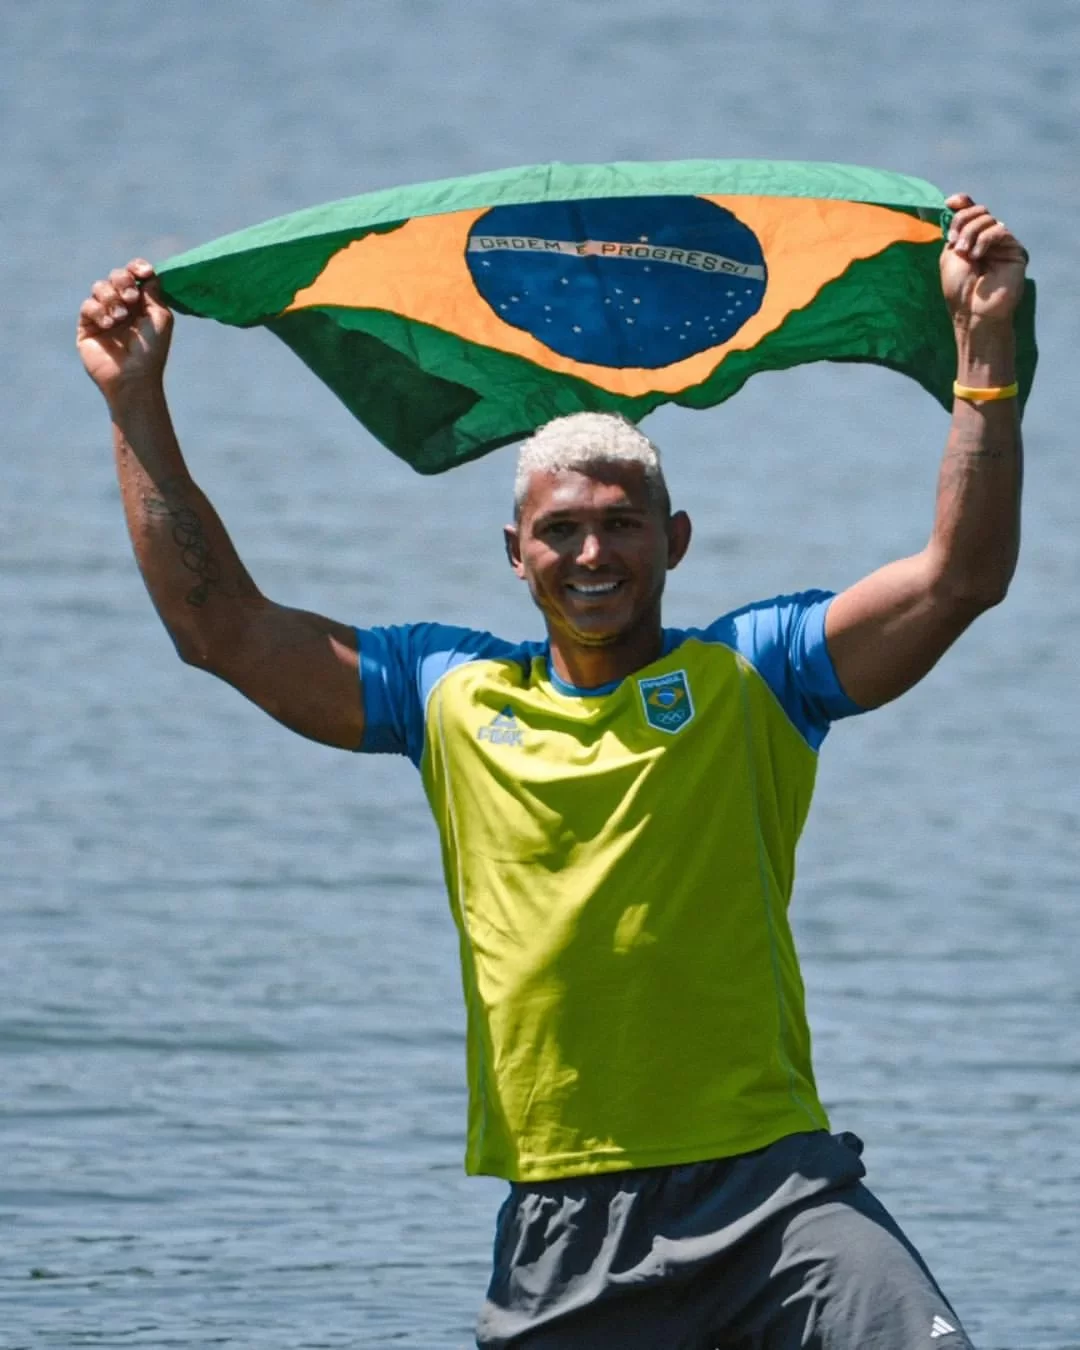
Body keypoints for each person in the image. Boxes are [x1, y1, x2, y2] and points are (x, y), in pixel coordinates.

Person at [78, 192, 1026, 1349]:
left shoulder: (758, 676)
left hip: (778, 1199)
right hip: (567, 1220)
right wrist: (136, 402)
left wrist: (983, 356)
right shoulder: (451, 697)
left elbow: (957, 579)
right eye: (562, 531)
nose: (593, 553)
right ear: (516, 555)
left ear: (673, 541)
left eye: (623, 525)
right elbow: (218, 627)